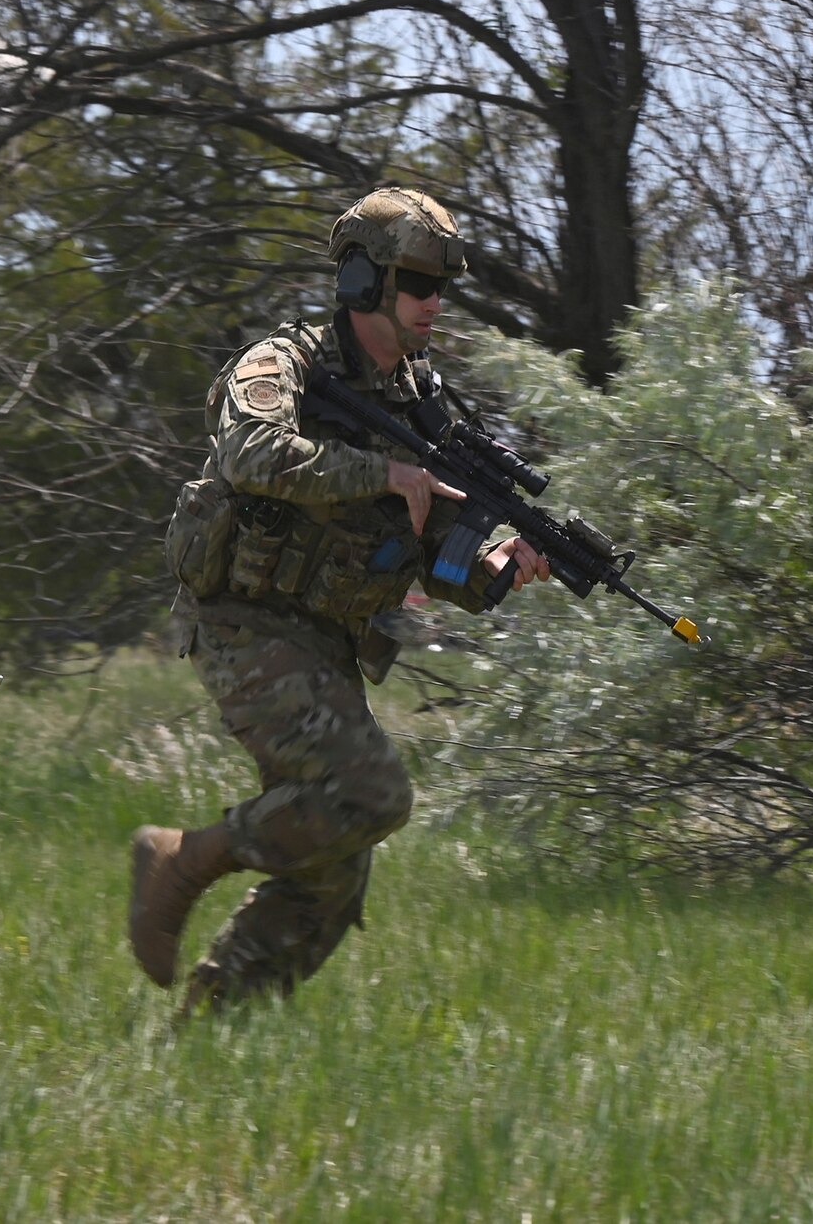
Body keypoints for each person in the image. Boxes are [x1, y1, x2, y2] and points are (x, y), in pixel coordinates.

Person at [131, 188, 551, 1011]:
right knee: (373, 794)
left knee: (332, 861)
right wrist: (382, 474)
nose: (435, 304)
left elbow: (439, 565)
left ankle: (219, 1023)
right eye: (419, 284)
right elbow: (250, 452)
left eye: (442, 288)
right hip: (244, 622)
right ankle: (186, 858)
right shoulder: (283, 365)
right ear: (363, 281)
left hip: (327, 640)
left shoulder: (421, 405)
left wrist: (500, 564)